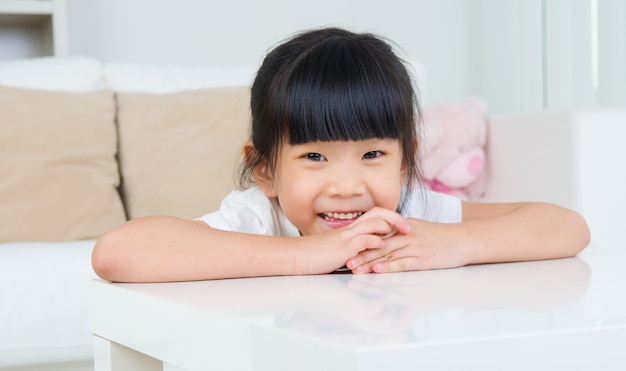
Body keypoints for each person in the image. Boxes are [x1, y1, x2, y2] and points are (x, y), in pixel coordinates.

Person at [92, 27, 590, 283]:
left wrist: (455, 245)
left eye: (372, 153)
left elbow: (568, 227)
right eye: (314, 157)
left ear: (405, 159)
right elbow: (117, 253)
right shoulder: (259, 218)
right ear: (265, 170)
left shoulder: (412, 214)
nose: (347, 186)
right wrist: (308, 253)